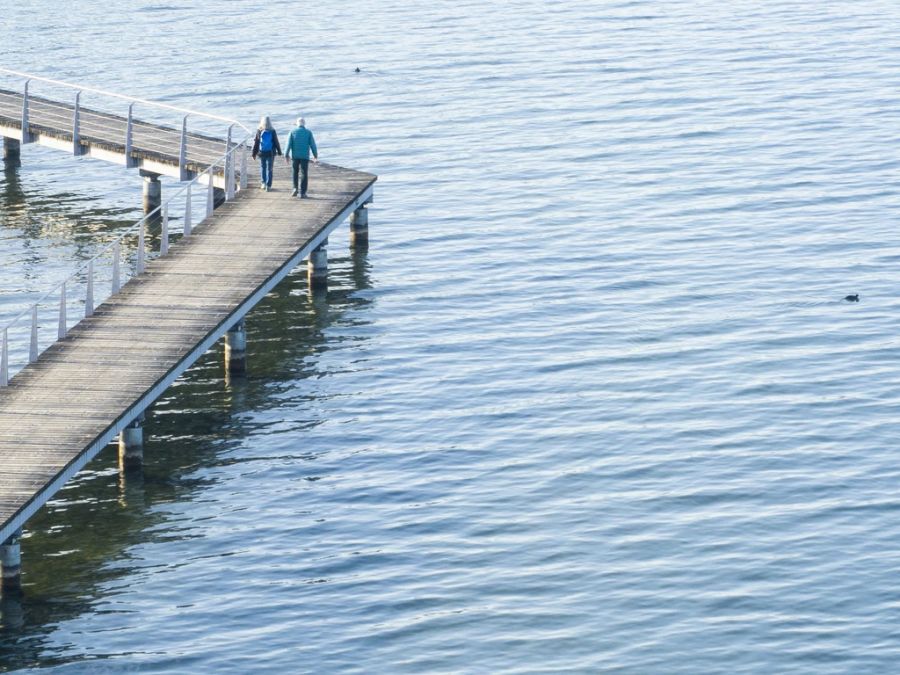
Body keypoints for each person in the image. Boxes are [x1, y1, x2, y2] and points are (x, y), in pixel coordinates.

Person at [284, 117, 318, 198]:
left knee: (295, 172)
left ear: (297, 124)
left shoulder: (292, 132)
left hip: (295, 156)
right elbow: (313, 145)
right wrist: (315, 155)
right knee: (304, 173)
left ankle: (295, 188)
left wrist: (286, 155)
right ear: (304, 124)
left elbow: (288, 145)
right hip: (305, 156)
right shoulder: (308, 132)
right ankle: (303, 192)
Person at [251, 115, 282, 191]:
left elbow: (256, 143)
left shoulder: (259, 130)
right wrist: (279, 152)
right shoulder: (272, 130)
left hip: (261, 152)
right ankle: (268, 186)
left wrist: (254, 154)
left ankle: (263, 183)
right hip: (270, 153)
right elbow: (276, 142)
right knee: (270, 169)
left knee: (263, 167)